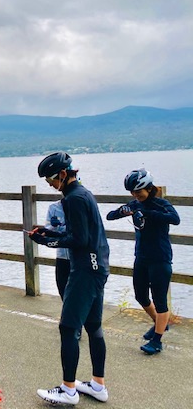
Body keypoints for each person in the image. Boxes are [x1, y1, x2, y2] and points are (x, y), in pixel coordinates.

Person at [29, 152, 110, 405]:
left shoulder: (73, 199)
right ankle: (98, 385)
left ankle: (68, 390)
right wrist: (50, 231)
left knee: (68, 328)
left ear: (63, 174)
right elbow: (79, 232)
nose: (50, 185)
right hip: (98, 267)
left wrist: (46, 240)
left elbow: (78, 240)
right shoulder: (83, 194)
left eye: (51, 180)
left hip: (85, 270)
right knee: (93, 327)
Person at [106, 168, 180, 355]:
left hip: (160, 258)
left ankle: (157, 341)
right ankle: (159, 324)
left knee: (160, 300)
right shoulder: (134, 204)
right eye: (132, 193)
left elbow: (175, 219)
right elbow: (110, 216)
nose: (135, 195)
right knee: (140, 296)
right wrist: (122, 211)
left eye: (138, 192)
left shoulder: (161, 204)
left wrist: (147, 213)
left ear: (148, 188)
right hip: (141, 257)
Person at [46, 200, 71, 300]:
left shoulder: (80, 205)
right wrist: (52, 226)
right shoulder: (53, 207)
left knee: (77, 293)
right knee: (62, 289)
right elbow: (47, 230)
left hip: (78, 257)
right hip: (61, 255)